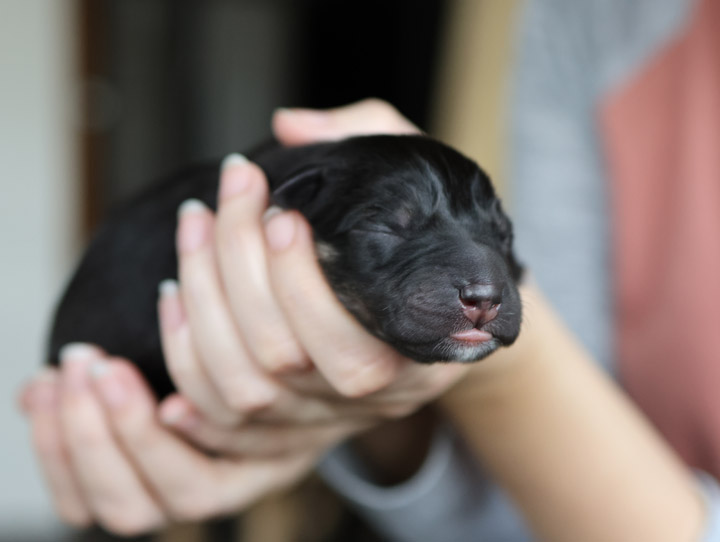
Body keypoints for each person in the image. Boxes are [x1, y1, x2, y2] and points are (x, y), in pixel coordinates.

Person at [18, 0, 720, 538]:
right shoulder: (600, 18)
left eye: (496, 237)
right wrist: (363, 417)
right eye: (391, 226)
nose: (487, 284)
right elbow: (504, 506)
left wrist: (506, 373)